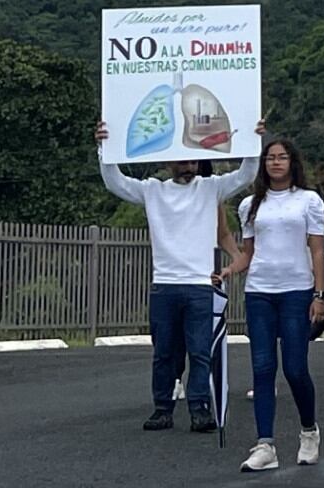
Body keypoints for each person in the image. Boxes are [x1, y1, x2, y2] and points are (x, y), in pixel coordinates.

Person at [96, 121, 259, 434]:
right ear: (168, 162)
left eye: (193, 161)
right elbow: (116, 182)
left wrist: (254, 140)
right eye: (182, 161)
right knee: (164, 354)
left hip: (200, 286)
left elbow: (246, 175)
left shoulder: (211, 189)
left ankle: (199, 408)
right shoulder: (153, 191)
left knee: (200, 352)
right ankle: (163, 408)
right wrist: (106, 147)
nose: (189, 166)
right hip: (165, 286)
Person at [229, 137, 324, 472]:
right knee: (262, 368)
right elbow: (247, 254)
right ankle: (265, 444)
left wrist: (318, 295)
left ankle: (308, 430)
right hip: (259, 292)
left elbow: (316, 250)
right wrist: (229, 270)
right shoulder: (250, 205)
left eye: (281, 157)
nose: (275, 163)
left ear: (292, 162)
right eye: (269, 158)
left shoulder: (308, 201)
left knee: (295, 368)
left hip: (296, 291)